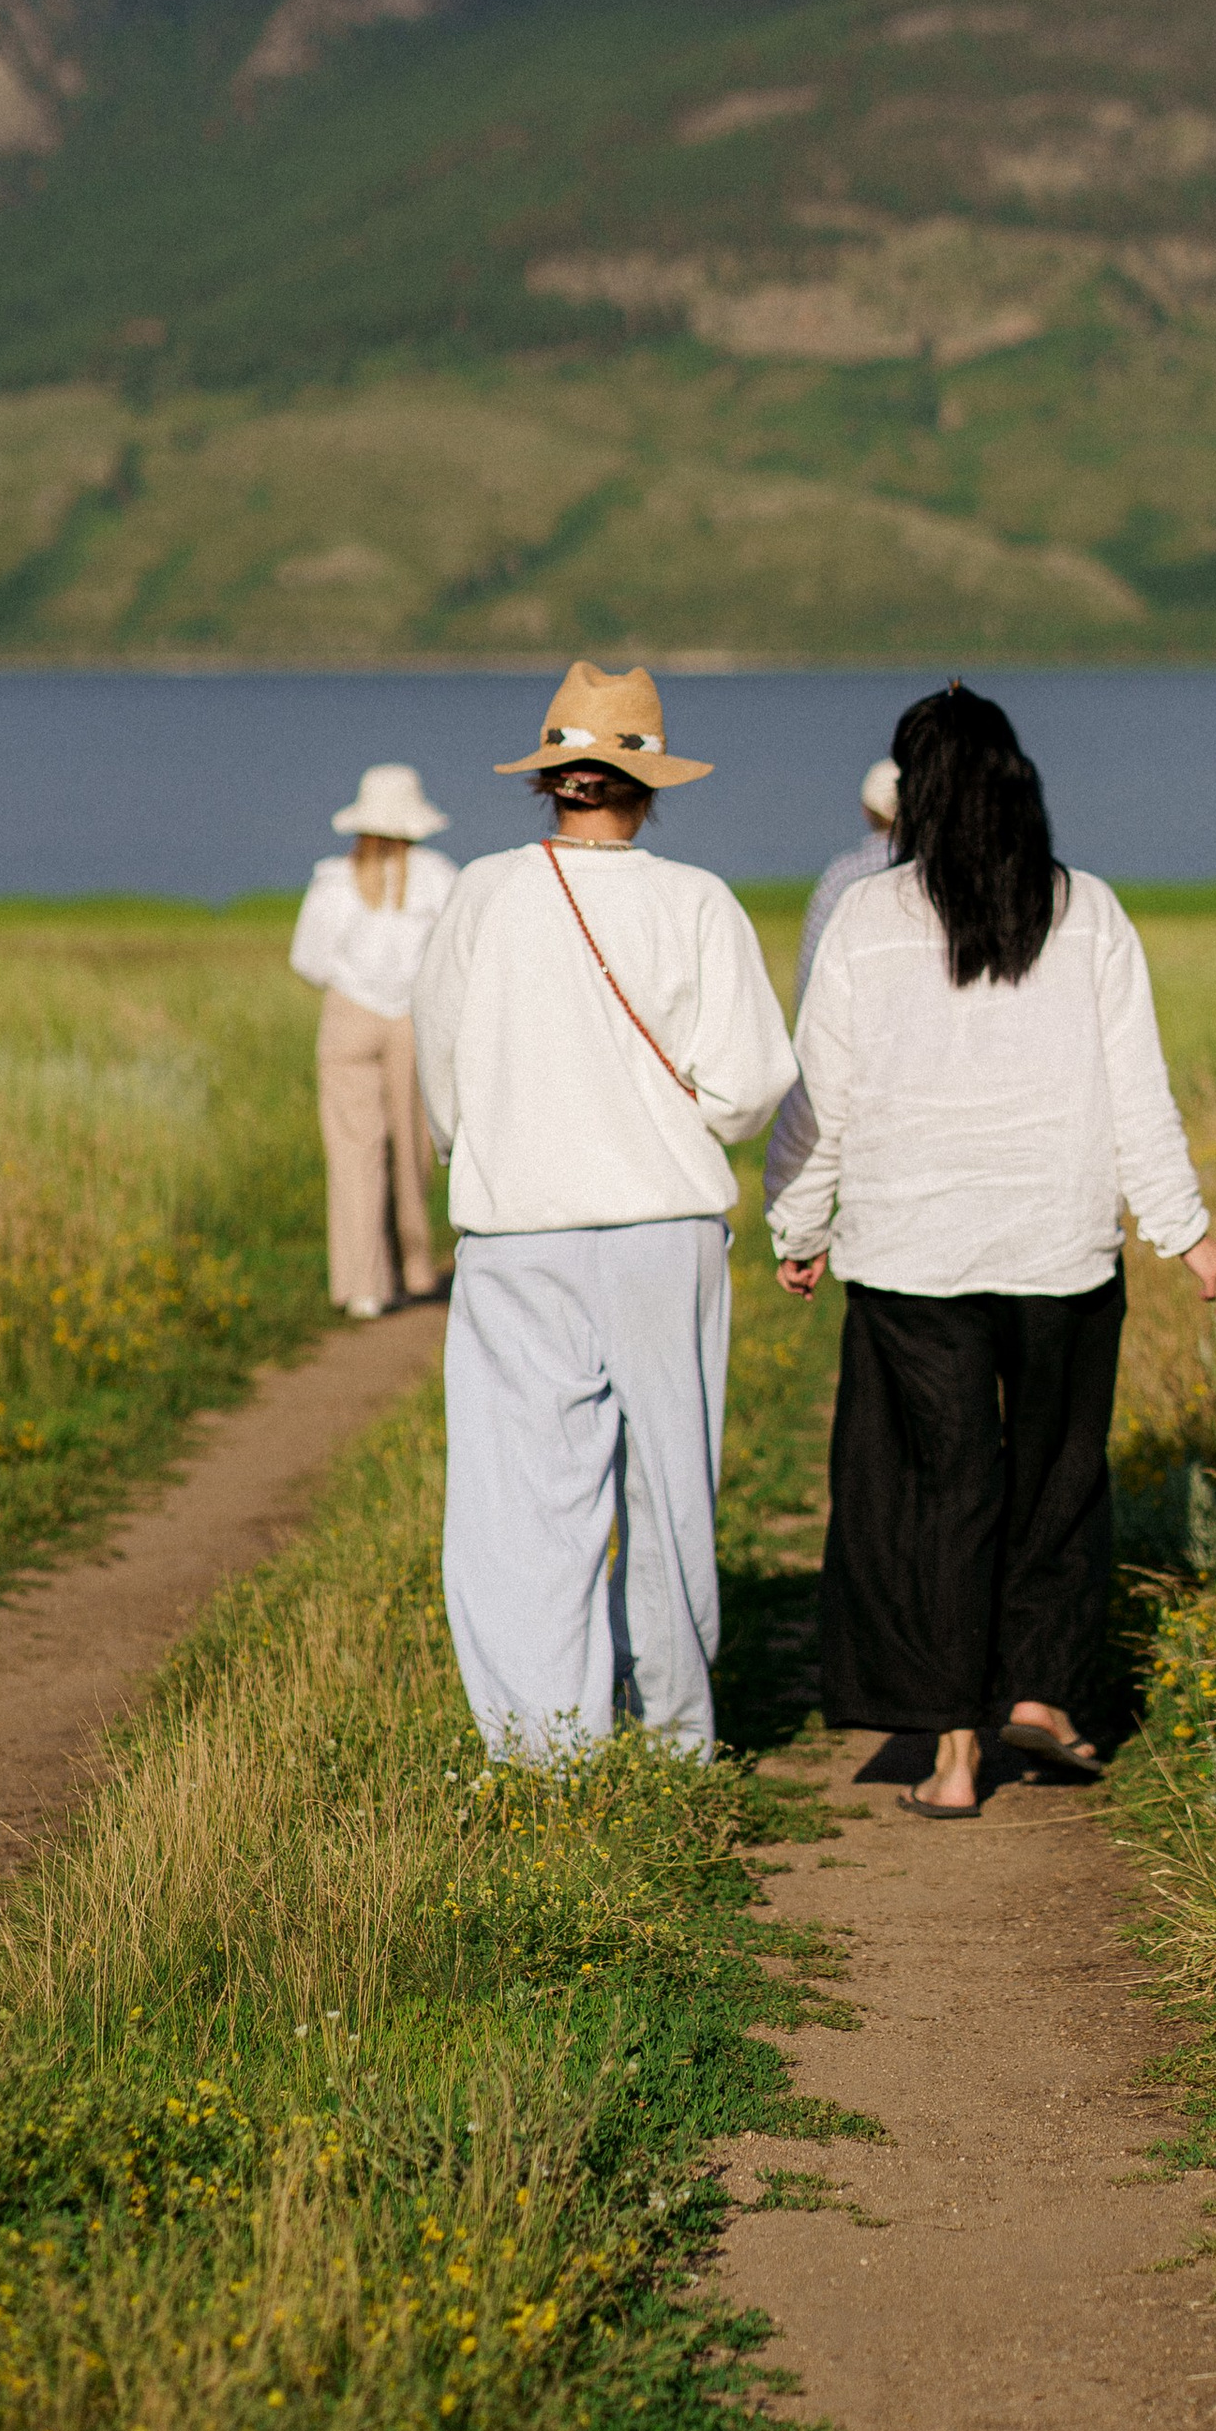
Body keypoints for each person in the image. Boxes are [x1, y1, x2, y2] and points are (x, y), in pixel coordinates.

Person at [766, 683, 1216, 1822]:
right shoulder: (1085, 910)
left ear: (917, 793)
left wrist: (800, 1225)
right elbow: (1139, 1090)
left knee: (938, 1493)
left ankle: (949, 1755)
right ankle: (1039, 1693)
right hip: (1060, 1247)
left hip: (907, 1254)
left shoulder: (867, 916)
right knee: (1055, 1481)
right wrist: (1187, 1236)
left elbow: (818, 1099)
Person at [413, 662, 797, 1762]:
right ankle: (676, 1732)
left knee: (522, 1496)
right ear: (647, 784)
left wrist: (473, 1144)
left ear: (551, 780)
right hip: (664, 1225)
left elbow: (438, 1063)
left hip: (518, 1227)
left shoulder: (482, 891)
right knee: (669, 1483)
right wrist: (687, 1109)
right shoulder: (698, 902)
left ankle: (544, 1744)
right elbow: (751, 1084)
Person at [289, 763, 457, 1319]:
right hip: (412, 1018)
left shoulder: (335, 880)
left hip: (348, 1017)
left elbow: (308, 960)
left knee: (353, 1150)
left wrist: (353, 983)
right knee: (411, 1148)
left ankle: (364, 1283)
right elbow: (453, 958)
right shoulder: (437, 877)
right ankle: (413, 1267)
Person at [795, 755, 900, 1006]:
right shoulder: (941, 871)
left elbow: (812, 965)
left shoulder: (842, 874)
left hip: (856, 1013)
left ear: (866, 811)